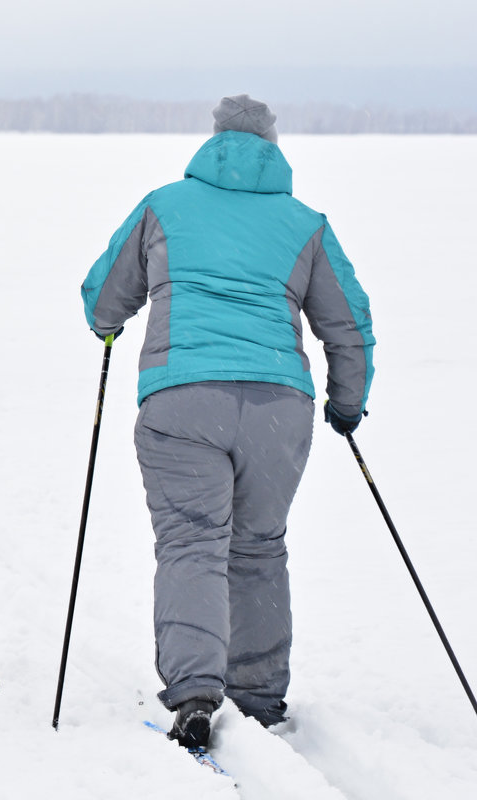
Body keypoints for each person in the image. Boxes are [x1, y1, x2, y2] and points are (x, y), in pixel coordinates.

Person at [81, 94, 375, 748]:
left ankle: (193, 693)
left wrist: (106, 326)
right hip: (278, 406)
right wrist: (347, 404)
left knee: (192, 542)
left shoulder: (165, 206)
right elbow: (348, 328)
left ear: (213, 141)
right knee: (259, 545)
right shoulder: (304, 223)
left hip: (182, 400)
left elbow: (103, 295)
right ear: (273, 146)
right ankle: (261, 697)